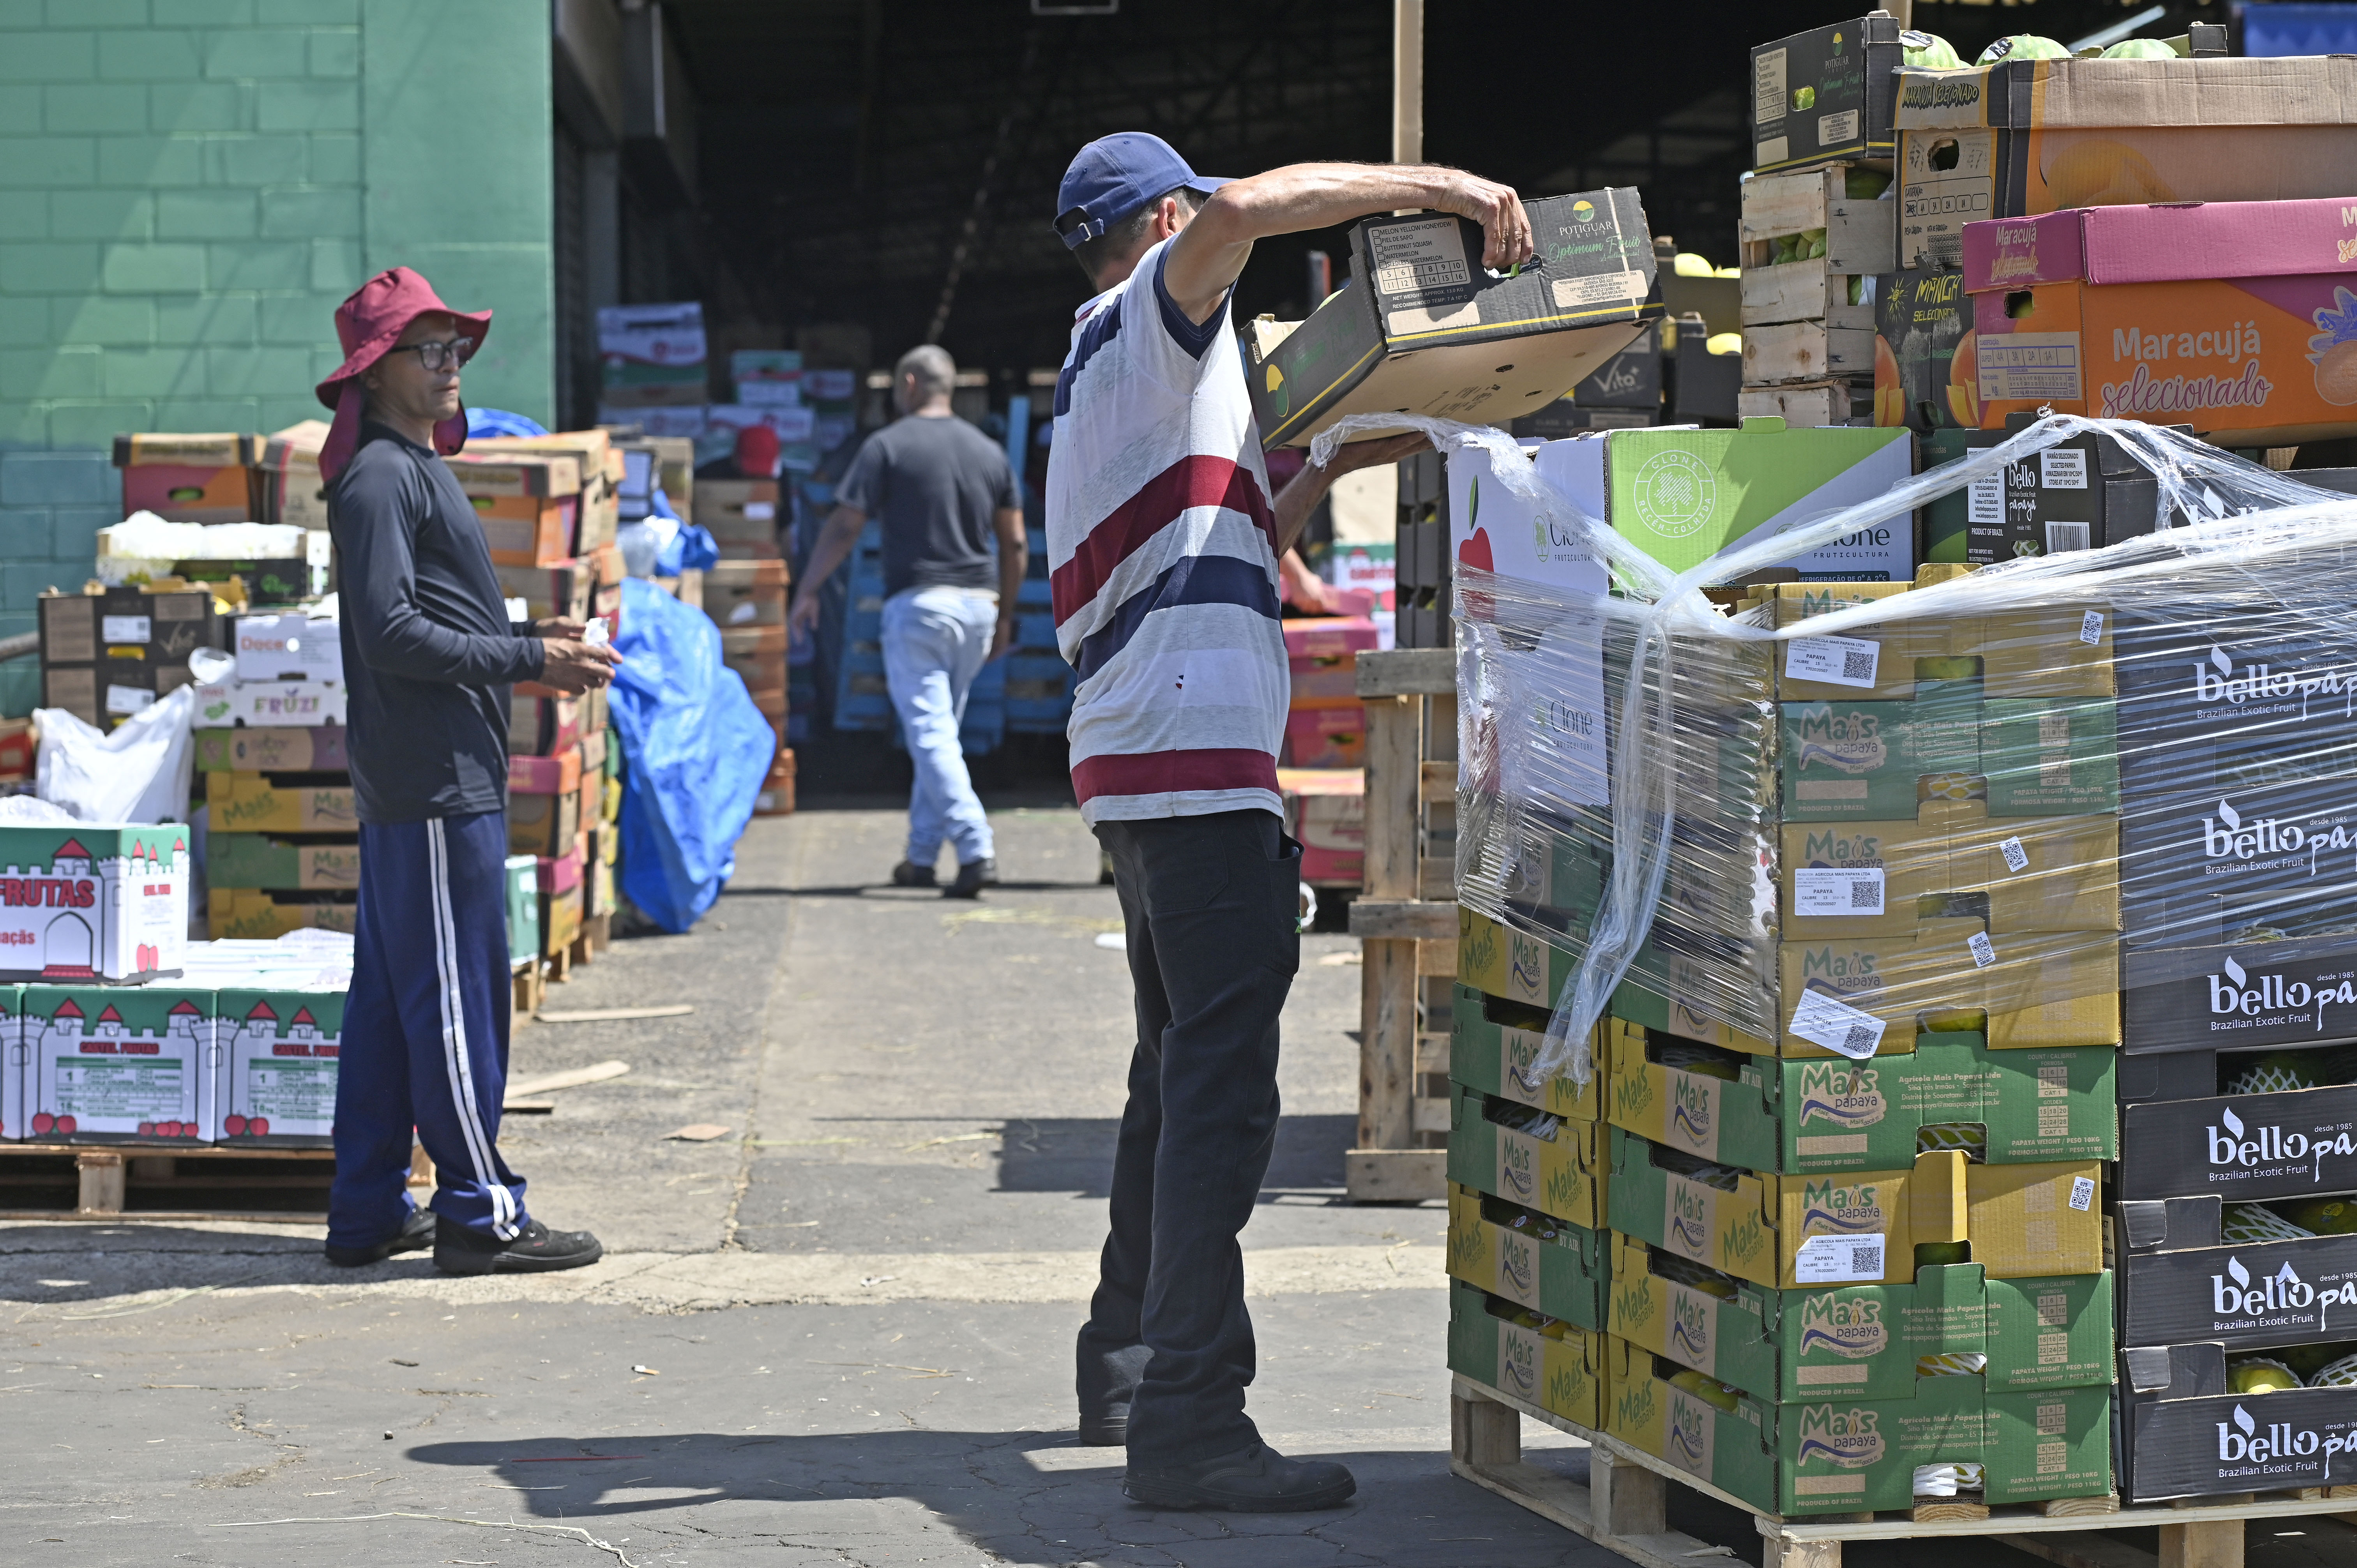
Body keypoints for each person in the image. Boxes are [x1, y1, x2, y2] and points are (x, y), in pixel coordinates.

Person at [1045, 133, 1530, 1511]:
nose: (1217, 234)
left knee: (1173, 1070)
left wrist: (1389, 432)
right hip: (1191, 768)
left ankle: (1124, 1356)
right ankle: (1192, 1416)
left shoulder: (1120, 385)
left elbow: (1239, 521)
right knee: (1219, 1096)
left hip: (1145, 767)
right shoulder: (1147, 314)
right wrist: (1441, 188)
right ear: (1159, 220)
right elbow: (1253, 208)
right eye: (1192, 216)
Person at [317, 267, 619, 1277]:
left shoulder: (404, 468)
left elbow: (435, 617)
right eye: (430, 350)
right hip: (435, 782)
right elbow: (394, 632)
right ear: (376, 368)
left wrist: (535, 633)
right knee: (453, 1001)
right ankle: (479, 1211)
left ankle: (367, 1208)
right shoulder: (377, 478)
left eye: (458, 349)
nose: (452, 368)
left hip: (428, 777)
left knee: (389, 1004)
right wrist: (532, 659)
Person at [789, 345, 1025, 898]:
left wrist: (808, 589)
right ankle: (920, 856)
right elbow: (1013, 541)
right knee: (938, 733)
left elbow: (845, 527)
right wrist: (1008, 615)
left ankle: (975, 846)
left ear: (911, 383)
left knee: (930, 733)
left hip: (919, 608)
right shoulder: (989, 452)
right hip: (978, 609)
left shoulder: (886, 446)